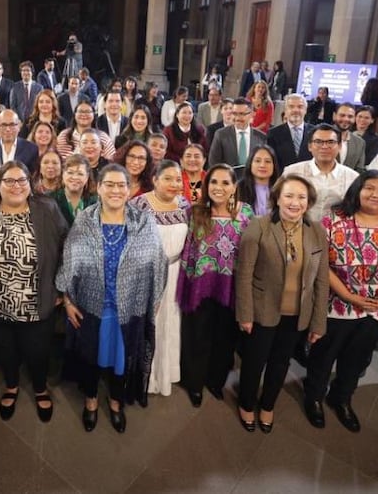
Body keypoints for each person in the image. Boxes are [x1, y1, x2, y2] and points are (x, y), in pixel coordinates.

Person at [303, 171, 378, 432]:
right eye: (369, 188)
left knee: (357, 359)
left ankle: (341, 398)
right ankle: (313, 397)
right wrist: (348, 295)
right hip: (337, 305)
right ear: (357, 190)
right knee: (324, 355)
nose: (376, 194)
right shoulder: (334, 220)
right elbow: (320, 263)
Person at [57, 165, 168, 432]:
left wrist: (153, 299)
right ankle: (92, 400)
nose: (116, 190)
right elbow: (70, 261)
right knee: (91, 357)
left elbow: (157, 262)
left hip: (130, 306)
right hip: (92, 305)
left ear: (129, 190)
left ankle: (116, 402)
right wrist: (69, 302)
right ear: (98, 187)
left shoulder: (143, 221)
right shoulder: (85, 219)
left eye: (121, 185)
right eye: (110, 184)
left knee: (122, 359)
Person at [0, 161, 69, 422]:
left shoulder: (47, 208)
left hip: (38, 299)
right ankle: (11, 385)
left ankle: (40, 387)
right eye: (9, 181)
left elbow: (66, 244)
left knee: (38, 351)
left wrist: (61, 284)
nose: (16, 186)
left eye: (22, 180)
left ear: (30, 184)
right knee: (6, 350)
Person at [236, 175, 328, 432]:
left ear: (309, 202)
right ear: (277, 198)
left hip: (296, 314)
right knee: (254, 362)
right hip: (261, 310)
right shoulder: (259, 226)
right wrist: (245, 314)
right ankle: (246, 403)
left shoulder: (317, 231)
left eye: (301, 197)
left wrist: (318, 321)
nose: (294, 202)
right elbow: (243, 274)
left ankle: (267, 405)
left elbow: (321, 279)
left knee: (280, 363)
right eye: (289, 195)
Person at [178, 164, 252, 408]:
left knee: (225, 337)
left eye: (225, 183)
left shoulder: (246, 214)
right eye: (213, 182)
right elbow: (189, 251)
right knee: (197, 335)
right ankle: (195, 383)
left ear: (234, 187)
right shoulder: (196, 212)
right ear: (206, 185)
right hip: (199, 286)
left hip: (231, 286)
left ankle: (215, 381)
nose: (218, 188)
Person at [131, 161, 190, 398]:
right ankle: (146, 377)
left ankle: (167, 374)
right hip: (147, 273)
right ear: (154, 179)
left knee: (171, 323)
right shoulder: (139, 204)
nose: (174, 184)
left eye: (178, 179)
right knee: (148, 324)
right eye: (168, 178)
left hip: (176, 272)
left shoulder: (185, 204)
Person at [282, 124, 359, 222]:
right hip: (297, 230)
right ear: (310, 146)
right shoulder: (292, 172)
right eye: (318, 142)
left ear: (339, 146)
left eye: (331, 142)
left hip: (337, 233)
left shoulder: (353, 178)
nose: (324, 146)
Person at [209, 98, 267, 178]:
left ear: (252, 114)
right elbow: (213, 164)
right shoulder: (221, 135)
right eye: (234, 114)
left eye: (242, 114)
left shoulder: (261, 138)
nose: (237, 118)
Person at [266, 94, 313, 168]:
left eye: (300, 107)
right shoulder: (273, 134)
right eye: (291, 107)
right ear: (285, 110)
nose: (296, 110)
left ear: (305, 110)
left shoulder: (315, 132)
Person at [237, 144, 280, 217]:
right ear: (250, 164)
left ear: (274, 165)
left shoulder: (281, 188)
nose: (262, 165)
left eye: (267, 161)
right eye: (257, 161)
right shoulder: (238, 189)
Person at [54, 154, 97, 225]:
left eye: (80, 174)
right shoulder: (51, 200)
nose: (74, 177)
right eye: (70, 173)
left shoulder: (94, 202)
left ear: (87, 177)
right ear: (63, 174)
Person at [332, 103, 367, 175]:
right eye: (342, 115)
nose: (346, 119)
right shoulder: (320, 136)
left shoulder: (360, 143)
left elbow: (359, 170)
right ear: (334, 116)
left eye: (350, 116)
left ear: (354, 119)